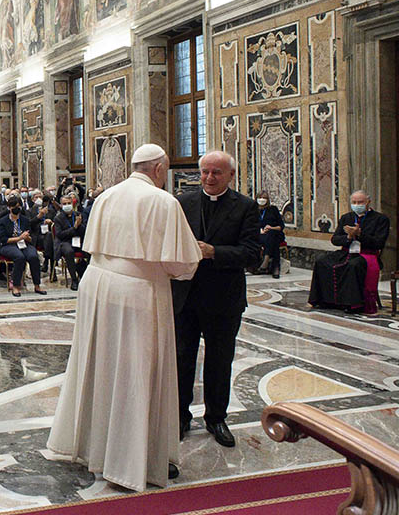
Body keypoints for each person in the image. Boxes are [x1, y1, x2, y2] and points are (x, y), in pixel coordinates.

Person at [48, 144, 202, 491]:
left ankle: (93, 448)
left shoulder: (106, 196)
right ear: (160, 169)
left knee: (99, 366)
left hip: (97, 285)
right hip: (137, 291)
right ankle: (131, 461)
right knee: (136, 372)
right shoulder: (163, 202)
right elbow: (181, 265)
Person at [172, 151, 261, 449]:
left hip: (224, 299)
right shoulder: (183, 203)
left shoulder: (245, 207)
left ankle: (216, 418)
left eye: (216, 173)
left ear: (231, 175)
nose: (209, 178)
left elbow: (252, 255)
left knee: (220, 361)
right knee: (182, 359)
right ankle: (180, 416)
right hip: (186, 298)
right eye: (205, 172)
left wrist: (214, 252)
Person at [309, 190, 390, 315]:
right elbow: (335, 239)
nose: (357, 205)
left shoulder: (381, 219)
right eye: (354, 202)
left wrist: (359, 234)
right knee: (321, 262)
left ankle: (352, 304)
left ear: (368, 202)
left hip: (367, 253)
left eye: (360, 202)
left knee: (353, 266)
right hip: (346, 251)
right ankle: (325, 301)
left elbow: (379, 242)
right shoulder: (346, 217)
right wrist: (348, 237)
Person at [0, 196, 45, 297]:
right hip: (8, 245)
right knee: (19, 257)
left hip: (24, 243)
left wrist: (27, 238)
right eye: (14, 206)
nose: (16, 208)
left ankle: (37, 285)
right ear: (9, 207)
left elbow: (30, 237)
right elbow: (4, 239)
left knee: (33, 256)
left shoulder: (25, 220)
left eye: (18, 206)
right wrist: (19, 238)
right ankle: (16, 285)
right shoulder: (3, 221)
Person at [53, 196, 87, 288]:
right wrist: (74, 228)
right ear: (61, 205)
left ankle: (86, 276)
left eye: (69, 203)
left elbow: (84, 231)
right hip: (65, 242)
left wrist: (79, 226)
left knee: (89, 249)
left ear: (72, 204)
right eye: (64, 204)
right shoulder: (58, 218)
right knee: (69, 251)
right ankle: (74, 280)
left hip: (78, 240)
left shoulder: (78, 215)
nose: (67, 205)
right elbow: (60, 235)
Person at [255, 191, 284, 278]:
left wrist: (271, 228)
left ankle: (266, 260)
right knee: (272, 241)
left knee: (272, 236)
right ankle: (275, 267)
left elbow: (281, 226)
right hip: (259, 234)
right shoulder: (253, 210)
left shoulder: (273, 209)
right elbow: (249, 225)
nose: (262, 200)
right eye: (260, 197)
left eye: (264, 198)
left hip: (274, 233)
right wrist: (258, 230)